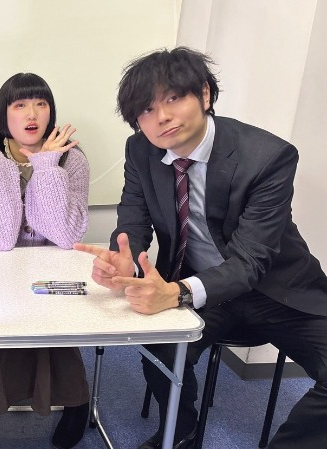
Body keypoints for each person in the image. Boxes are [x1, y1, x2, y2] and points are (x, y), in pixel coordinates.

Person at [74, 47, 327, 449]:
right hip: (198, 283)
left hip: (276, 290)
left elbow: (250, 262)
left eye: (174, 98)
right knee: (158, 346)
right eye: (146, 109)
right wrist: (128, 259)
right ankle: (182, 431)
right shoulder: (140, 149)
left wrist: (177, 292)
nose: (162, 117)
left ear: (205, 94)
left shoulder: (267, 157)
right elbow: (134, 217)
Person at [0, 73, 91, 449]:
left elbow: (65, 233)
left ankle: (76, 403)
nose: (32, 113)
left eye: (41, 104)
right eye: (20, 104)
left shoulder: (72, 159)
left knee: (60, 322)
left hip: (52, 263)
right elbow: (2, 238)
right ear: (3, 115)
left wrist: (47, 166)